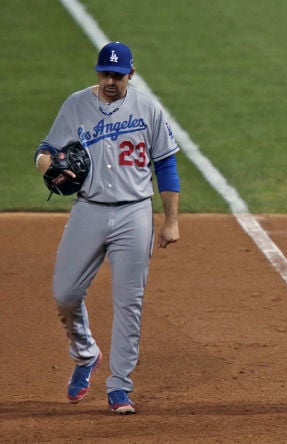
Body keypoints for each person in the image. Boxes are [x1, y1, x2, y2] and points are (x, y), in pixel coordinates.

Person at [34, 41, 181, 414]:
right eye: (105, 73)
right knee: (65, 293)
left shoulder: (148, 108)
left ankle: (119, 388)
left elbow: (165, 164)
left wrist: (171, 221)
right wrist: (48, 166)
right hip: (89, 210)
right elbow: (46, 148)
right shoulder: (76, 104)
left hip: (135, 213)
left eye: (118, 74)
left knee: (129, 303)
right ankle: (86, 354)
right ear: (98, 72)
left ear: (131, 73)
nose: (110, 80)